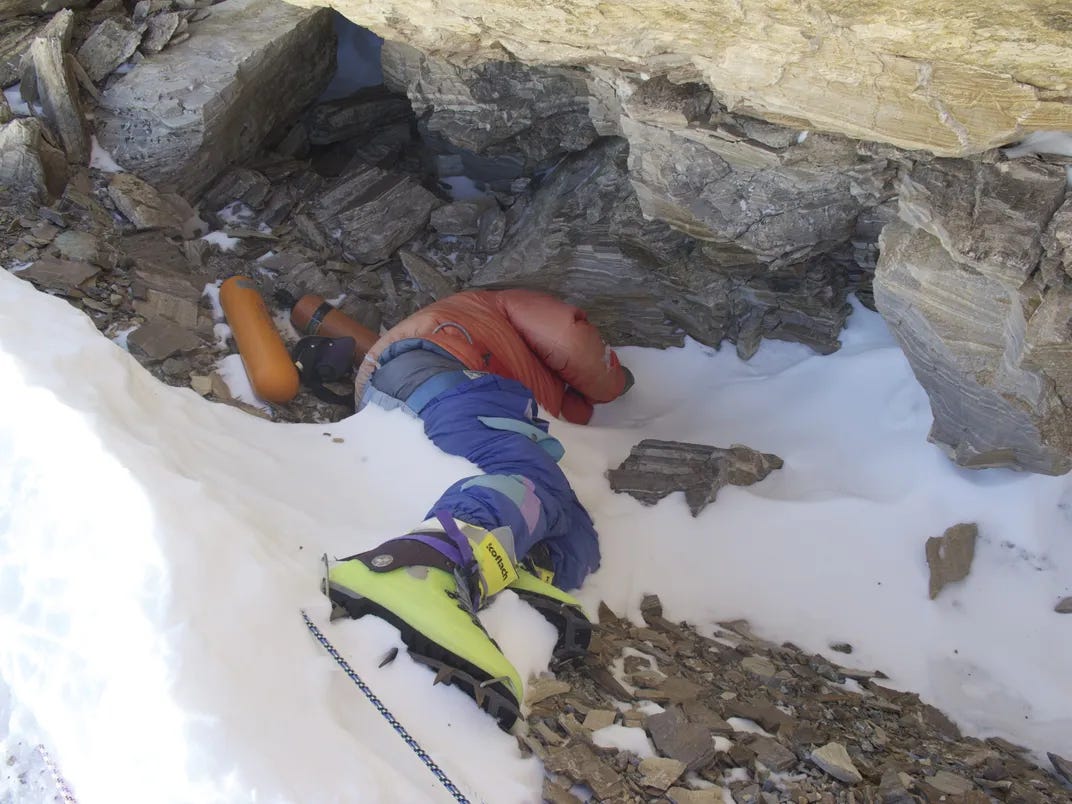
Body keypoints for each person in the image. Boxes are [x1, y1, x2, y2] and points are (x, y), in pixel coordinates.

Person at [323, 289, 633, 730]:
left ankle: (507, 571)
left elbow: (562, 401)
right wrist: (617, 381)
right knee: (533, 482)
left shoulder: (508, 352)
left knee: (572, 529)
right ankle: (421, 564)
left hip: (407, 393)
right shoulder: (499, 302)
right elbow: (569, 337)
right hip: (437, 377)